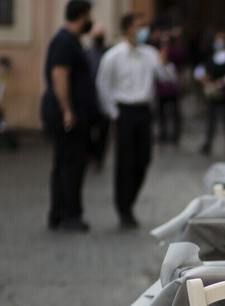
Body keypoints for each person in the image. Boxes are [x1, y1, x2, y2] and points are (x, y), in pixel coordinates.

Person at [95, 13, 173, 228]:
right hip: (124, 111)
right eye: (139, 26)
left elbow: (168, 78)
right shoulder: (113, 56)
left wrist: (165, 63)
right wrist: (113, 113)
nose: (143, 31)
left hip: (144, 111)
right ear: (128, 28)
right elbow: (103, 86)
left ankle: (130, 199)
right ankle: (123, 207)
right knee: (125, 161)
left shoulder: (150, 54)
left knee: (144, 158)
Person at [41, 0, 97, 232]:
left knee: (64, 163)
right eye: (89, 16)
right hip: (68, 116)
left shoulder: (70, 40)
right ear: (82, 16)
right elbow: (60, 76)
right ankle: (68, 214)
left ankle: (58, 212)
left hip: (70, 113)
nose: (91, 21)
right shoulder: (64, 42)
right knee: (71, 165)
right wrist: (67, 110)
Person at [195, 30, 225, 156]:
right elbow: (201, 69)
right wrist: (205, 79)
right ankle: (208, 143)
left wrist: (222, 83)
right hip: (212, 91)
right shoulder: (211, 55)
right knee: (211, 119)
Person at [85, 23, 110, 171]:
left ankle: (98, 158)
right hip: (90, 99)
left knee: (103, 132)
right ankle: (90, 154)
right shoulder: (87, 53)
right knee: (88, 130)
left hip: (104, 100)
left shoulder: (109, 53)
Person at [153, 26, 182, 145]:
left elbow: (174, 78)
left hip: (171, 92)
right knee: (161, 115)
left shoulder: (171, 64)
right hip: (161, 93)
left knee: (174, 114)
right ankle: (163, 133)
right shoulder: (156, 63)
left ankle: (174, 135)